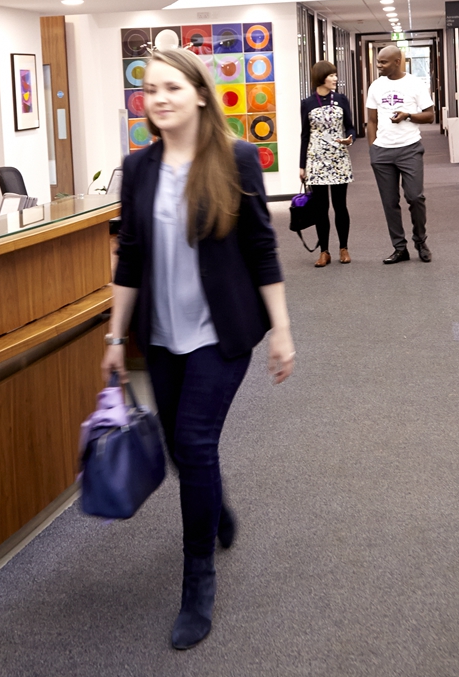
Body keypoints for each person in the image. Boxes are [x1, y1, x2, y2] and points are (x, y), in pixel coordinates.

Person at [103, 46, 296, 650]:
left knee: (192, 442)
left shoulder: (237, 159)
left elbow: (261, 248)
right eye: (151, 89)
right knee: (184, 448)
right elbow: (129, 257)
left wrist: (282, 329)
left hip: (220, 331)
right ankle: (216, 506)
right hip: (161, 335)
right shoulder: (138, 168)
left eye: (172, 88)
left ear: (200, 95)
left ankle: (198, 582)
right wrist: (115, 336)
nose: (159, 99)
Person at [365, 44, 435, 263]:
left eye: (383, 62)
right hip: (382, 152)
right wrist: (373, 149)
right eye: (378, 62)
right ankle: (399, 248)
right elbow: (371, 121)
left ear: (397, 62)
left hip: (409, 148)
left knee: (415, 197)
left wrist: (408, 115)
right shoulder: (376, 86)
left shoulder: (415, 83)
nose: (379, 65)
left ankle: (420, 241)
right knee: (390, 202)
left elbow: (430, 116)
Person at [297, 60, 357, 266]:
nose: (335, 79)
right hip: (316, 160)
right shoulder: (307, 103)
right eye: (331, 75)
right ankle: (324, 251)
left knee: (340, 206)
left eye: (335, 75)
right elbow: (305, 135)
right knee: (320, 208)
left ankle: (344, 248)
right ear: (321, 77)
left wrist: (350, 138)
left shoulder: (341, 99)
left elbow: (350, 127)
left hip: (338, 158)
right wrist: (302, 165)